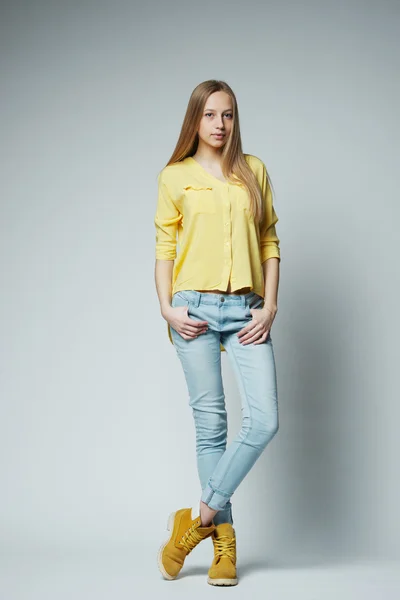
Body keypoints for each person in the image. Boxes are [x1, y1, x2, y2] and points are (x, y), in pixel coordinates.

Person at [154, 80, 281, 586]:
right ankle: (224, 544)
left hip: (248, 310)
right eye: (210, 115)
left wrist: (270, 305)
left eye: (227, 114)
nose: (220, 124)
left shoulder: (255, 172)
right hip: (194, 310)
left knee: (265, 419)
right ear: (196, 120)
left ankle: (198, 518)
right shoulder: (174, 177)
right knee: (211, 428)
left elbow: (270, 236)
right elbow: (165, 248)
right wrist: (166, 309)